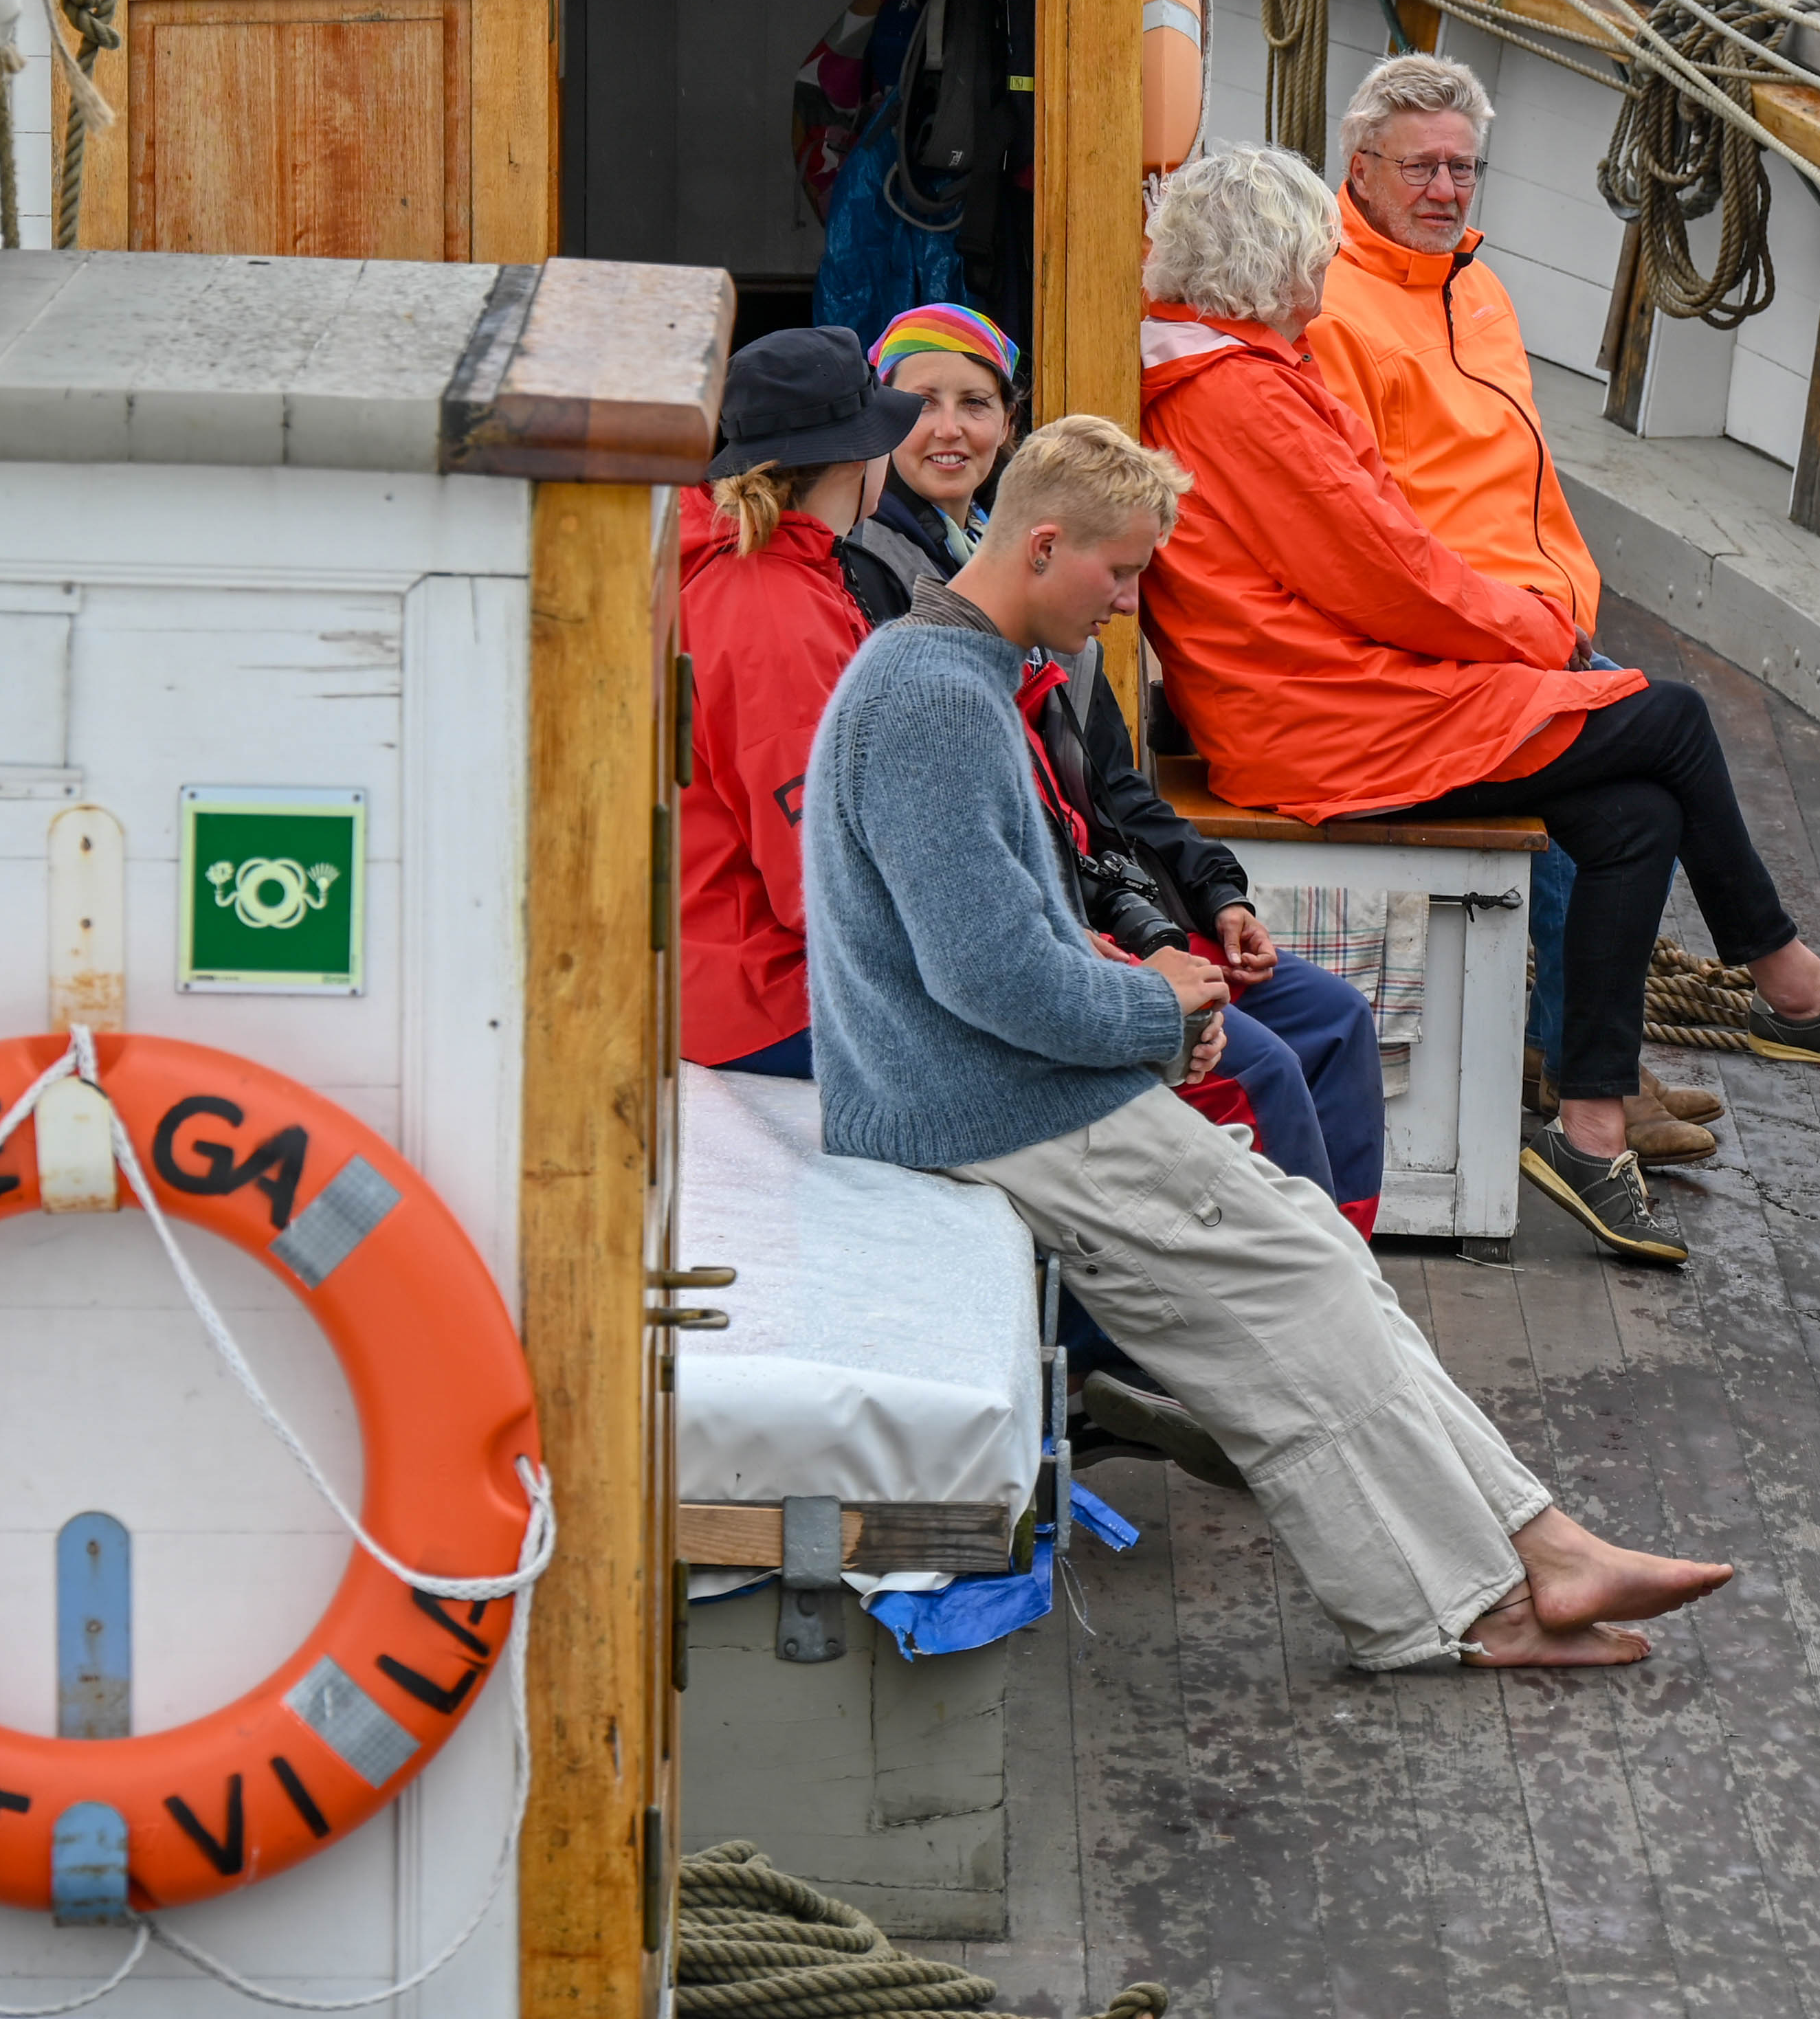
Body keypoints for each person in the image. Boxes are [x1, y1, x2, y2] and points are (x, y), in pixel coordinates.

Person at [803, 412, 1736, 1671]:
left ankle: (1536, 1544)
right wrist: (1160, 1016)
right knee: (1291, 1284)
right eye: (1120, 571)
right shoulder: (934, 703)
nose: (1126, 603)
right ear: (1043, 545)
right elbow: (986, 975)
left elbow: (1000, 940)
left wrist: (1149, 999)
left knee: (1316, 1258)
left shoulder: (946, 674)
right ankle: (1453, 1606)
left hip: (990, 1085)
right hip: (979, 1102)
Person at [1138, 146, 1820, 1272]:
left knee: (1635, 817)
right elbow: (1387, 575)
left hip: (1320, 690)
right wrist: (1543, 637)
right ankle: (1791, 988)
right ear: (1272, 268)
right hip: (1317, 722)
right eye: (1315, 260)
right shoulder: (1241, 395)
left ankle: (1592, 1130)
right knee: (1668, 719)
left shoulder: (1231, 370)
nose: (1325, 278)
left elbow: (1376, 559)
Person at [834, 300, 1391, 1234]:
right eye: (921, 402)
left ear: (1008, 423)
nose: (949, 428)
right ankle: (1290, 1297)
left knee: (1335, 1021)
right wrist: (1139, 943)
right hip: (1070, 929)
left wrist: (1216, 894)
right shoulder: (882, 593)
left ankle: (1347, 1271)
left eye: (975, 403)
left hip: (1116, 901)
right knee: (1260, 1068)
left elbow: (1112, 785)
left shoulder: (1052, 581)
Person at [1300, 53, 1723, 1173]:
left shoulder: (1471, 286)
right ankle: (1609, 1060)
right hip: (1452, 633)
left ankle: (1580, 1057)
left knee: (1636, 800)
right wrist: (1502, 630)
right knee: (1635, 778)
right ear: (1360, 168)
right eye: (1421, 168)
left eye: (1463, 168)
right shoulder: (1335, 307)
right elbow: (1370, 527)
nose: (1446, 189)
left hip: (1533, 612)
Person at [679, 326, 922, 1078]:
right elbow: (819, 883)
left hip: (749, 979)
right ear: (857, 458)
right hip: (774, 997)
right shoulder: (774, 614)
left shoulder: (771, 572)